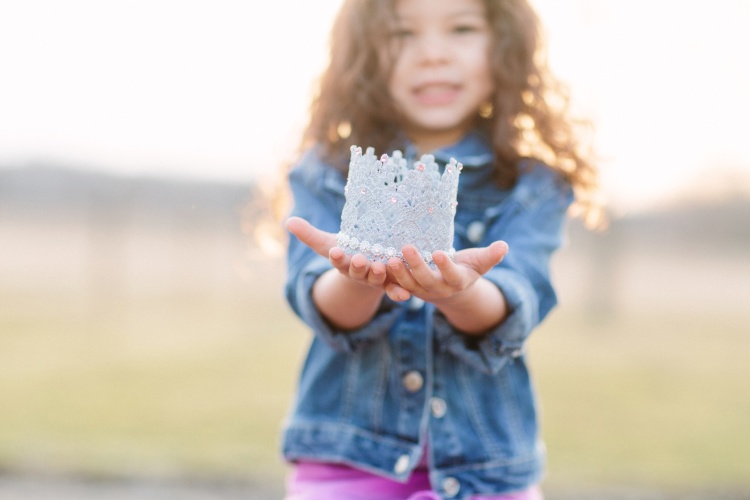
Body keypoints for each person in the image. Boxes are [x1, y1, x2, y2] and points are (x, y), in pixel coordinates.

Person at [281, 0, 600, 498]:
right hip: (347, 462)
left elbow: (518, 299)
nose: (432, 54)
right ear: (362, 54)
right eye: (401, 34)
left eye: (462, 28)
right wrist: (353, 274)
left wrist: (457, 293)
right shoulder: (327, 169)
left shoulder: (532, 184)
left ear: (506, 46)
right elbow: (322, 309)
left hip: (489, 469)